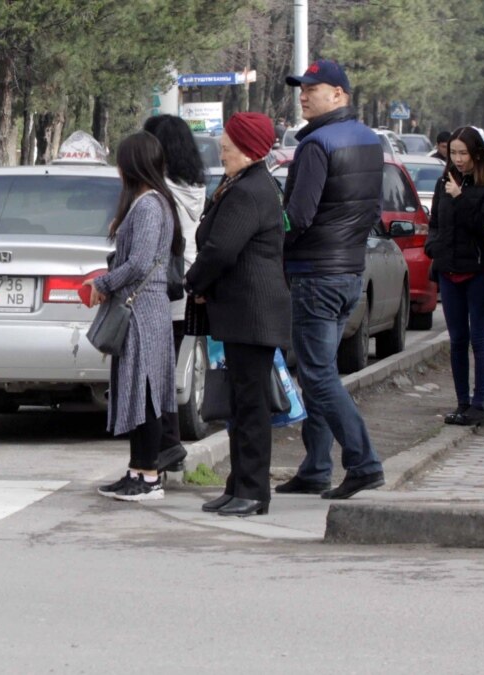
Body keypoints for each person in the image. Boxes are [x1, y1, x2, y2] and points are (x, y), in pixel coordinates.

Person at [276, 58, 386, 500]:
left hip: (315, 273)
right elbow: (371, 211)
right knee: (319, 369)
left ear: (339, 94)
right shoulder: (369, 140)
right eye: (301, 88)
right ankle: (316, 467)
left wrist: (269, 233)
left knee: (318, 374)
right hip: (349, 271)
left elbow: (298, 216)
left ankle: (363, 462)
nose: (303, 94)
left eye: (313, 88)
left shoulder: (316, 145)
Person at [184, 113, 290, 517]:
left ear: (247, 148)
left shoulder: (248, 190)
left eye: (227, 144)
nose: (222, 149)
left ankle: (253, 490)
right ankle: (238, 485)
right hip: (242, 312)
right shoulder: (242, 183)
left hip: (252, 312)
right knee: (241, 404)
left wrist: (193, 281)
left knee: (250, 406)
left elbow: (221, 250)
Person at [88, 132, 184, 501]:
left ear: (132, 164)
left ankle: (147, 477)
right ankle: (138, 470)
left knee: (143, 392)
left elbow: (141, 262)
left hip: (142, 310)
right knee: (138, 389)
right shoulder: (154, 202)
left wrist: (104, 282)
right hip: (146, 307)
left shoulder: (147, 206)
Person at [143, 114, 206, 473]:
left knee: (156, 374)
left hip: (163, 288)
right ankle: (169, 444)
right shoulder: (194, 185)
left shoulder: (159, 191)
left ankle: (167, 445)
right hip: (185, 285)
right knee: (167, 371)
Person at [424, 126, 484, 427]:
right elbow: (435, 220)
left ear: (476, 153)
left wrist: (460, 197)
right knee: (457, 340)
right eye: (453, 152)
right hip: (448, 268)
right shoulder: (445, 180)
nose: (457, 159)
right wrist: (433, 246)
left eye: (463, 153)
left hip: (478, 270)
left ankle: (479, 404)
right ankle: (461, 402)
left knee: (478, 338)